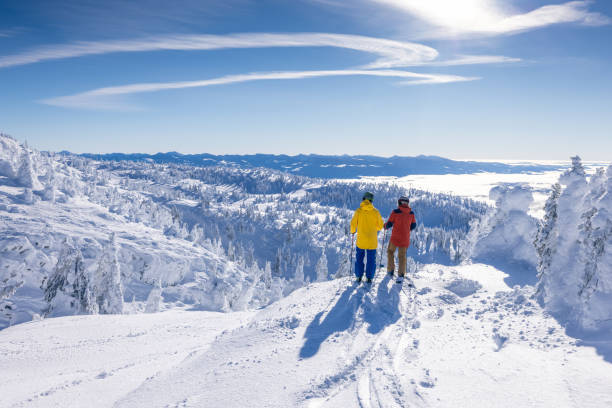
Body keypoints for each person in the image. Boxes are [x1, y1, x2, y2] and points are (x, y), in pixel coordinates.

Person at [350, 192, 384, 284]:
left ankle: (358, 276)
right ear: (371, 200)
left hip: (361, 240)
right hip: (372, 240)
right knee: (371, 259)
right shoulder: (375, 212)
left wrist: (353, 231)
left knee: (359, 258)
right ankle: (369, 277)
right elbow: (380, 226)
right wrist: (374, 228)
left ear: (363, 199)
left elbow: (353, 224)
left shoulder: (358, 211)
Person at [384, 196, 417, 284]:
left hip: (395, 238)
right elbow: (413, 226)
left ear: (399, 202)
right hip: (405, 238)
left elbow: (389, 223)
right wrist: (406, 229)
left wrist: (385, 226)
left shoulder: (395, 212)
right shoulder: (411, 213)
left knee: (390, 252)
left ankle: (390, 270)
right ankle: (401, 275)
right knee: (402, 256)